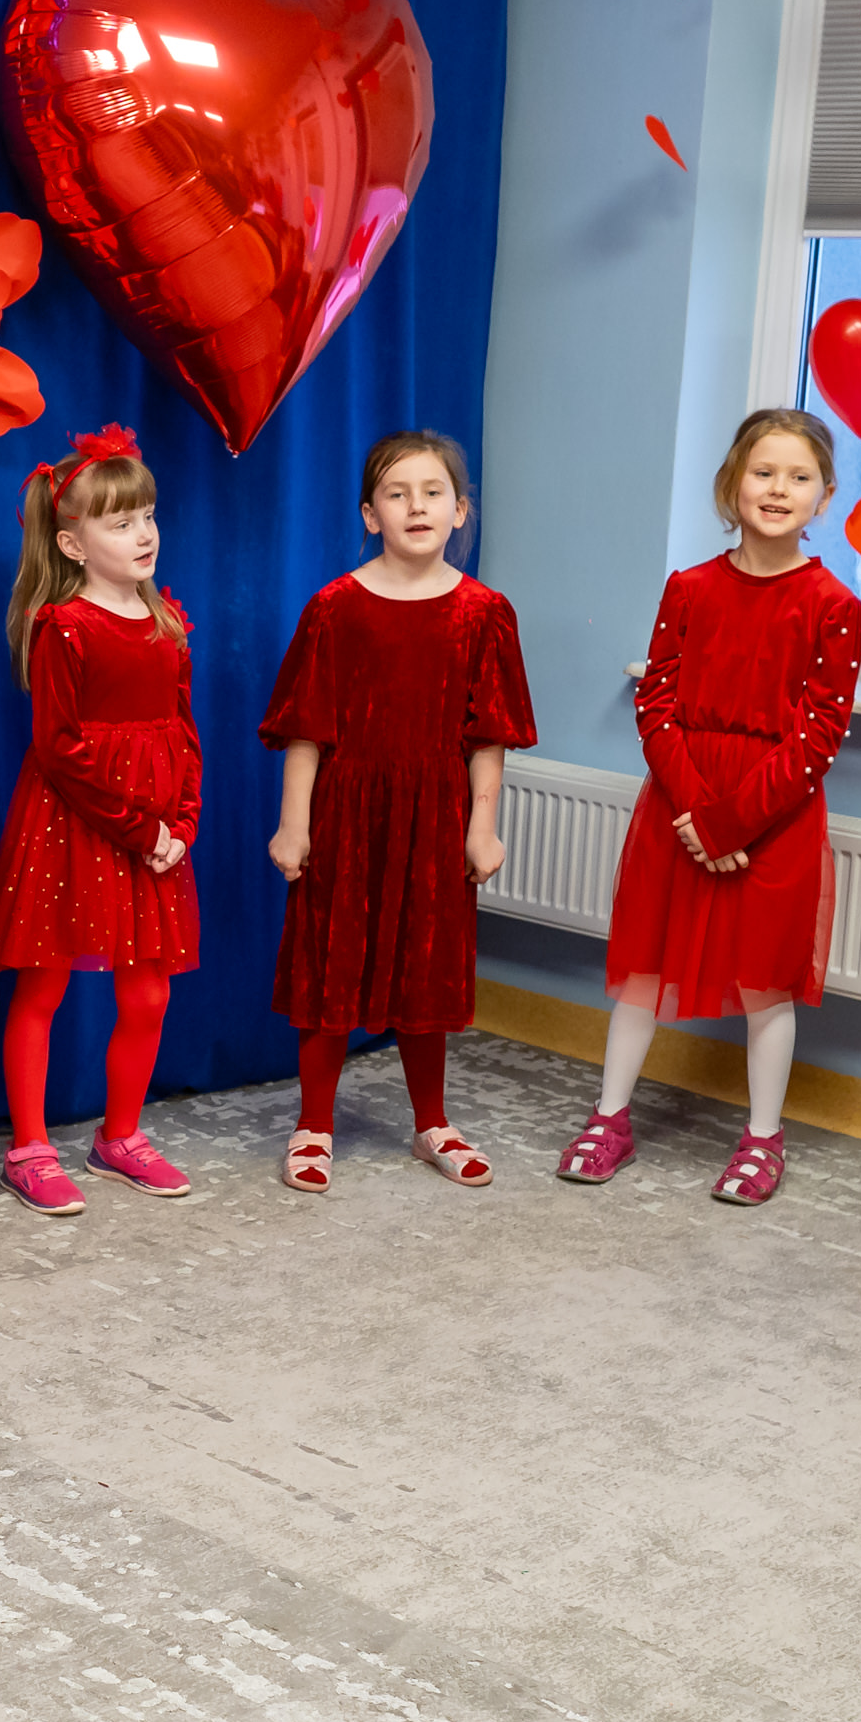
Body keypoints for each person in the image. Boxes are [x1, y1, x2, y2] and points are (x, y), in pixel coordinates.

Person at [565, 408, 861, 1203]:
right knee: (643, 971)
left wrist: (731, 821)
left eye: (799, 476)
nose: (779, 489)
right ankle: (610, 1118)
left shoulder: (834, 605)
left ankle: (764, 1139)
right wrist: (697, 810)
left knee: (766, 983)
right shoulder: (689, 587)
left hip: (774, 817)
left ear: (825, 495)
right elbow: (656, 703)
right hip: (679, 806)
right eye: (763, 472)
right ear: (733, 484)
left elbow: (819, 735)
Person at [263, 431, 536, 1192]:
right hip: (346, 814)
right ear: (370, 513)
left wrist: (482, 827)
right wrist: (294, 824)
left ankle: (432, 1123)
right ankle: (313, 1124)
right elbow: (306, 730)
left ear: (459, 511)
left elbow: (489, 737)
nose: (417, 506)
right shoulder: (334, 609)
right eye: (397, 493)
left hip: (437, 817)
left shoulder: (484, 613)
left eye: (433, 492)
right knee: (330, 966)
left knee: (427, 969)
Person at [0, 425, 202, 1215]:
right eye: (120, 522)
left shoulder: (164, 615)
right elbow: (59, 748)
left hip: (156, 831)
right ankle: (28, 1147)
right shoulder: (64, 626)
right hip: (78, 826)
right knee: (43, 987)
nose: (143, 533)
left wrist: (182, 822)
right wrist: (141, 830)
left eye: (147, 515)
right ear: (73, 544)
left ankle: (121, 1136)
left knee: (148, 995)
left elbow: (184, 731)